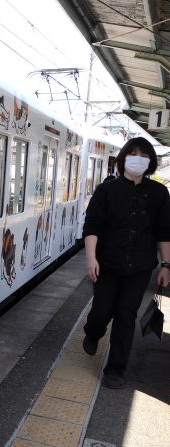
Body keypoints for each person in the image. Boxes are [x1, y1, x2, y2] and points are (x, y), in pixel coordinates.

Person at [82, 137, 170, 389]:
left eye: (144, 155)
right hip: (107, 263)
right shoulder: (107, 190)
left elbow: (165, 232)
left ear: (151, 161)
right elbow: (92, 226)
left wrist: (166, 265)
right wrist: (91, 259)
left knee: (125, 316)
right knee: (102, 311)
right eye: (133, 153)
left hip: (140, 267)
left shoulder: (159, 194)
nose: (138, 159)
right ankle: (93, 331)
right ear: (123, 158)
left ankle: (115, 369)